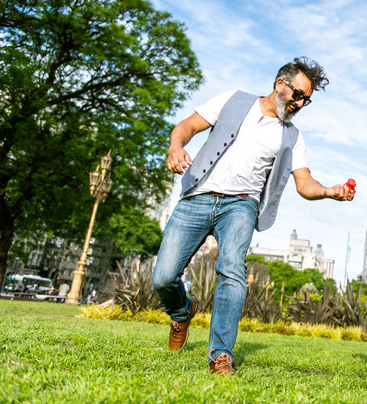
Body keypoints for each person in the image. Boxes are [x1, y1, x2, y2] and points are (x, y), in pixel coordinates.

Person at [151, 57, 355, 376]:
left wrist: (329, 191)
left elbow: (304, 183)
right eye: (298, 94)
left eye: (306, 100)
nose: (300, 103)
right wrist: (176, 148)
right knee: (163, 277)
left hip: (241, 205)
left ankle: (221, 354)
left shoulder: (293, 137)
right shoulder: (233, 100)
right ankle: (181, 311)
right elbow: (187, 126)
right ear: (280, 84)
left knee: (232, 270)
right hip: (197, 195)